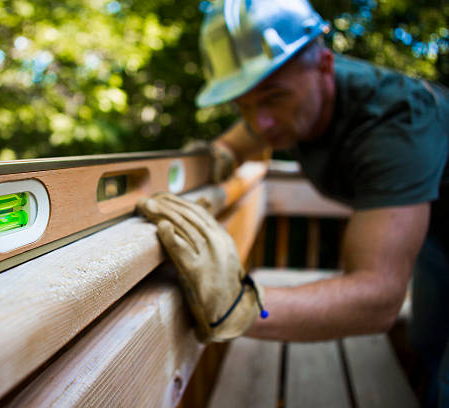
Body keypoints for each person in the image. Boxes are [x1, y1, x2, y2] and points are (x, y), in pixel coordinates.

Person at [135, 1, 448, 406]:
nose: (259, 123)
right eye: (243, 105)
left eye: (272, 98)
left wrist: (242, 305)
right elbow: (238, 140)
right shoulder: (297, 98)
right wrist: (212, 160)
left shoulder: (395, 127)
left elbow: (378, 298)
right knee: (425, 345)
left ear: (324, 66)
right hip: (434, 230)